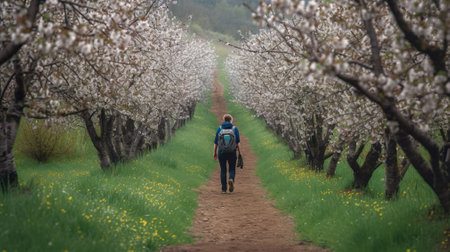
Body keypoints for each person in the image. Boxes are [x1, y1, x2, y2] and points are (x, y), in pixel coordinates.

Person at [213, 114, 241, 193]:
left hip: (221, 152)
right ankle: (231, 178)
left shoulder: (220, 129)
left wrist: (214, 153)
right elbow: (238, 142)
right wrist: (240, 153)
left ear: (224, 120)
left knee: (223, 170)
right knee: (232, 168)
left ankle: (224, 189)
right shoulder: (234, 129)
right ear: (231, 120)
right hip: (232, 152)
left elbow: (216, 142)